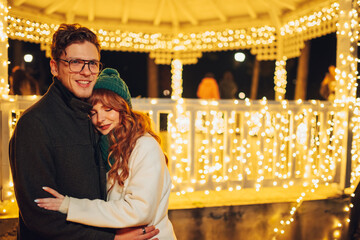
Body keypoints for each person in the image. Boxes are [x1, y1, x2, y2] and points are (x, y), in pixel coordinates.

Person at [9, 23, 159, 240]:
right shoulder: (35, 123)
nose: (86, 72)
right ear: (54, 67)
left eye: (92, 63)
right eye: (75, 62)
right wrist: (111, 239)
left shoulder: (94, 117)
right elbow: (40, 216)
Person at [35, 68, 177, 239]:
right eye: (93, 112)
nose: (100, 119)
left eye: (108, 109)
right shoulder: (109, 146)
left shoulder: (145, 146)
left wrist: (70, 206)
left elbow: (139, 211)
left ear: (123, 109)